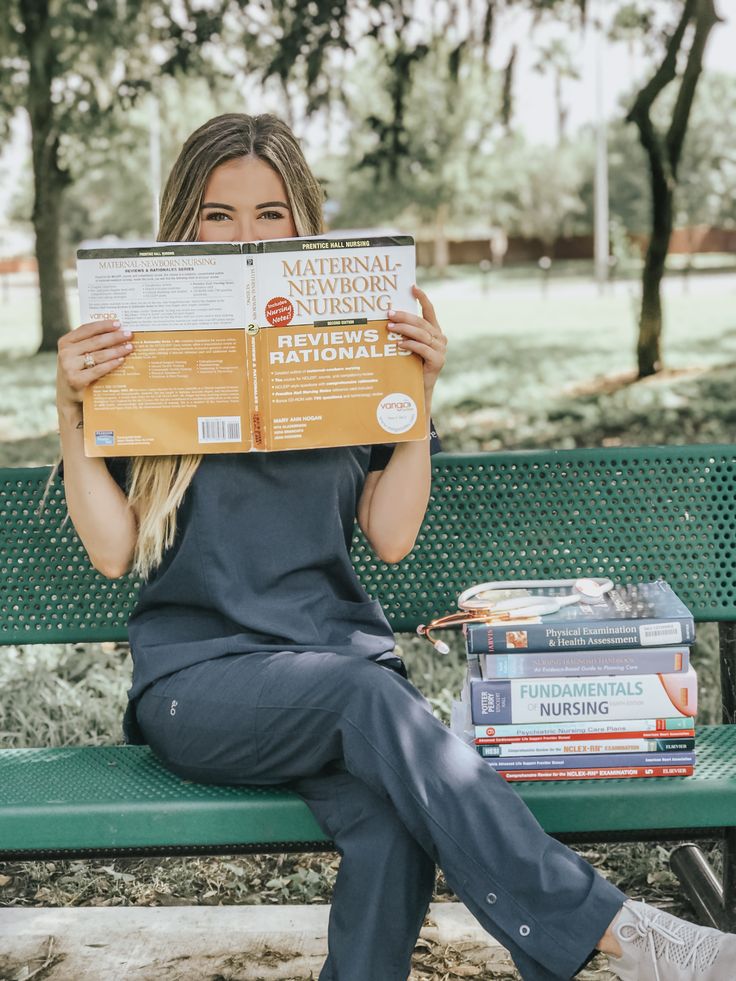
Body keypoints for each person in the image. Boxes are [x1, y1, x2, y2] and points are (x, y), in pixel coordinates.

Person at [54, 112, 735, 981]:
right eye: (218, 215)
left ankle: (600, 936)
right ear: (186, 223)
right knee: (363, 697)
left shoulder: (349, 348)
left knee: (392, 821)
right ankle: (625, 934)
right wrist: (73, 415)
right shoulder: (142, 358)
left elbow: (392, 532)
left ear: (302, 222)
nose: (245, 235)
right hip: (201, 685)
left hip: (335, 674)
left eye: (270, 213)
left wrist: (414, 396)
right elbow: (113, 551)